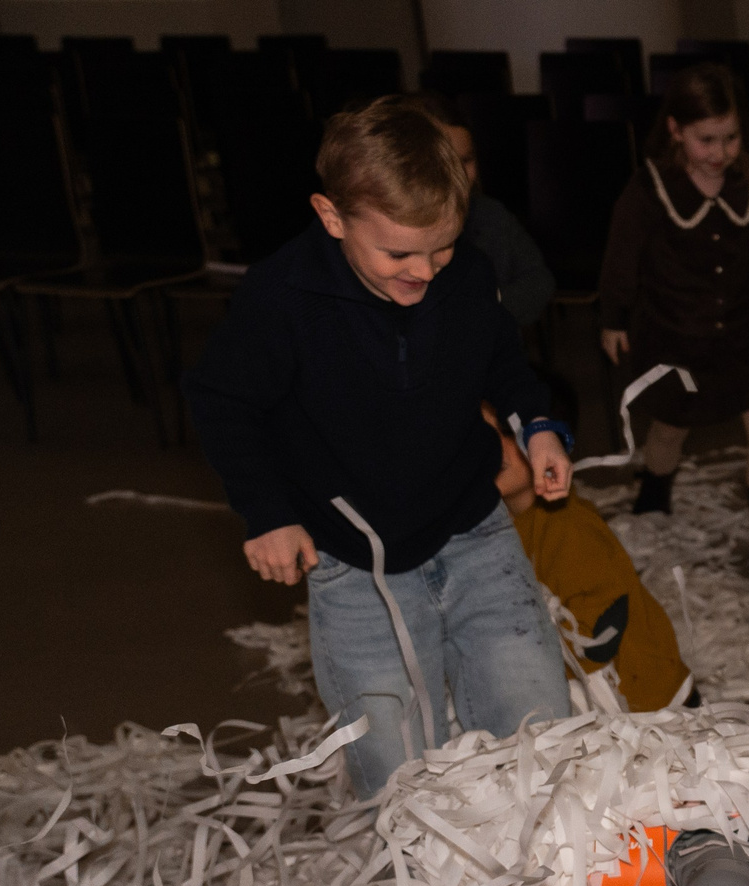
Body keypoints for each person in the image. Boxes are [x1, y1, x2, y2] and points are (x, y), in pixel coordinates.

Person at [184, 95, 574, 800]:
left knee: (537, 733)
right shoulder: (282, 299)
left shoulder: (464, 273)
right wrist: (268, 511)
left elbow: (498, 358)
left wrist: (535, 422)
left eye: (442, 248)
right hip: (354, 564)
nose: (424, 272)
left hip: (475, 532)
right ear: (332, 217)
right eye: (398, 252)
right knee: (396, 773)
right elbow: (223, 401)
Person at [595, 61, 749, 567]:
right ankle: (653, 494)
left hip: (747, 330)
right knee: (670, 427)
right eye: (706, 140)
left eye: (731, 138)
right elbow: (621, 258)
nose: (720, 153)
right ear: (676, 130)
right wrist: (613, 318)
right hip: (677, 336)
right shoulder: (650, 189)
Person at [486, 407, 696, 712]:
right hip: (611, 702)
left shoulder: (566, 526)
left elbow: (598, 636)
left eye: (503, 433)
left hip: (648, 704)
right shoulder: (509, 527)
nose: (490, 447)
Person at [422, 95, 554, 329]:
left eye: (467, 160)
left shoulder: (490, 213)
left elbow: (539, 280)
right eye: (447, 161)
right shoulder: (403, 231)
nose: (460, 174)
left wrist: (487, 310)